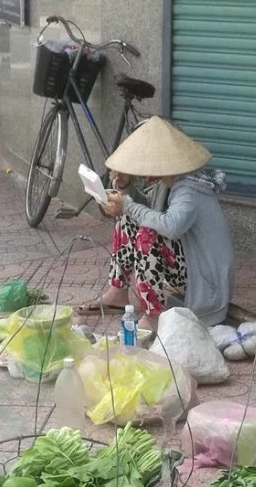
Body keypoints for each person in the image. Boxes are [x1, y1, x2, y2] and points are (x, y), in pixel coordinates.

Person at [82, 116, 234, 329]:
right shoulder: (169, 182)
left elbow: (170, 227)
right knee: (127, 221)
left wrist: (127, 204)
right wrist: (125, 188)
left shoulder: (189, 190)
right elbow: (147, 210)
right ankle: (117, 293)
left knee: (147, 235)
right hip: (187, 266)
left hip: (207, 282)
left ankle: (153, 315)